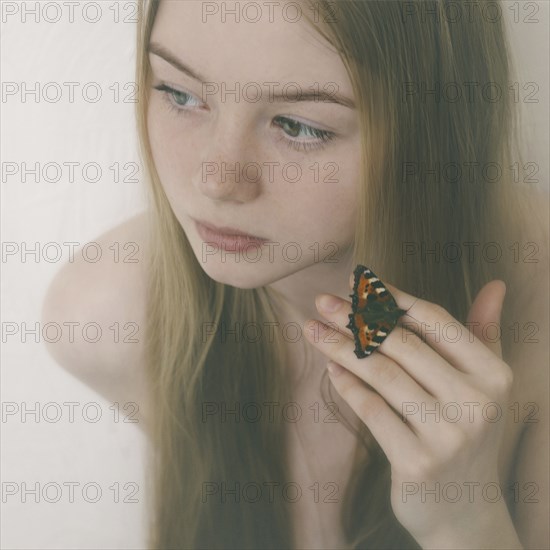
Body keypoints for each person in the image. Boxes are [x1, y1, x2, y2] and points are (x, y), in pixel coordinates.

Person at [42, 0, 549, 548]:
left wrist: (465, 525)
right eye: (180, 94)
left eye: (298, 126)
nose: (216, 181)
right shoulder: (111, 317)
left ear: (434, 128)